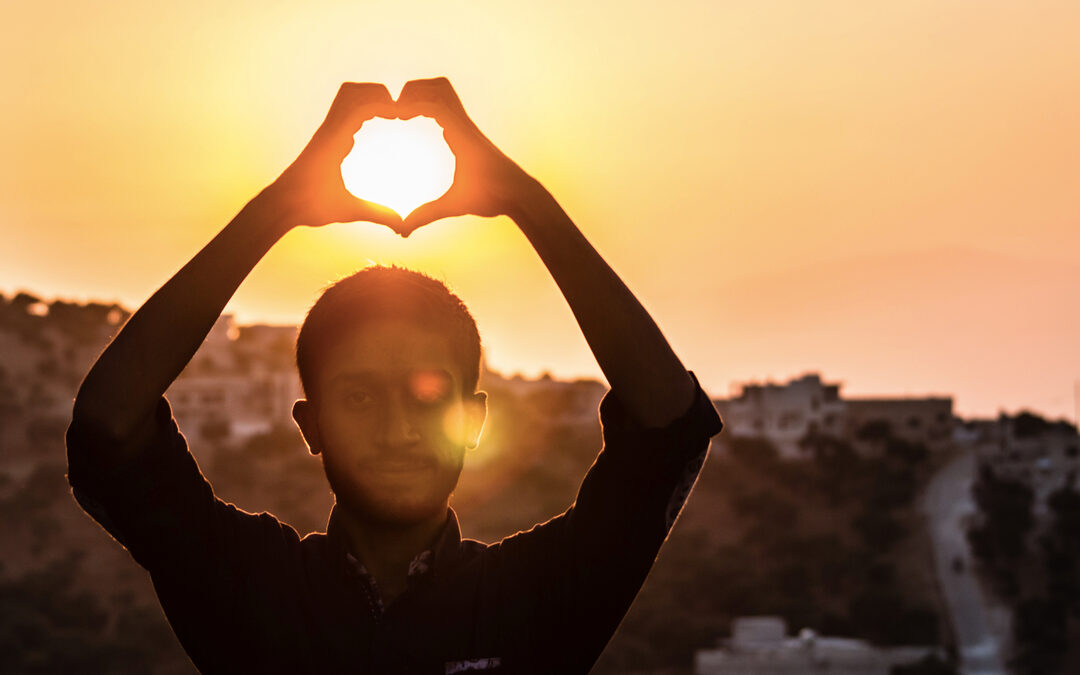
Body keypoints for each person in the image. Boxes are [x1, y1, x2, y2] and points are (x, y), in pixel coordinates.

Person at [67, 78, 723, 674]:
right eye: (358, 395)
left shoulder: (535, 597)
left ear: (474, 419)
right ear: (310, 424)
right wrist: (278, 208)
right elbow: (109, 424)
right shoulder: (247, 586)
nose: (399, 428)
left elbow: (667, 425)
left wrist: (523, 199)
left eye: (430, 395)